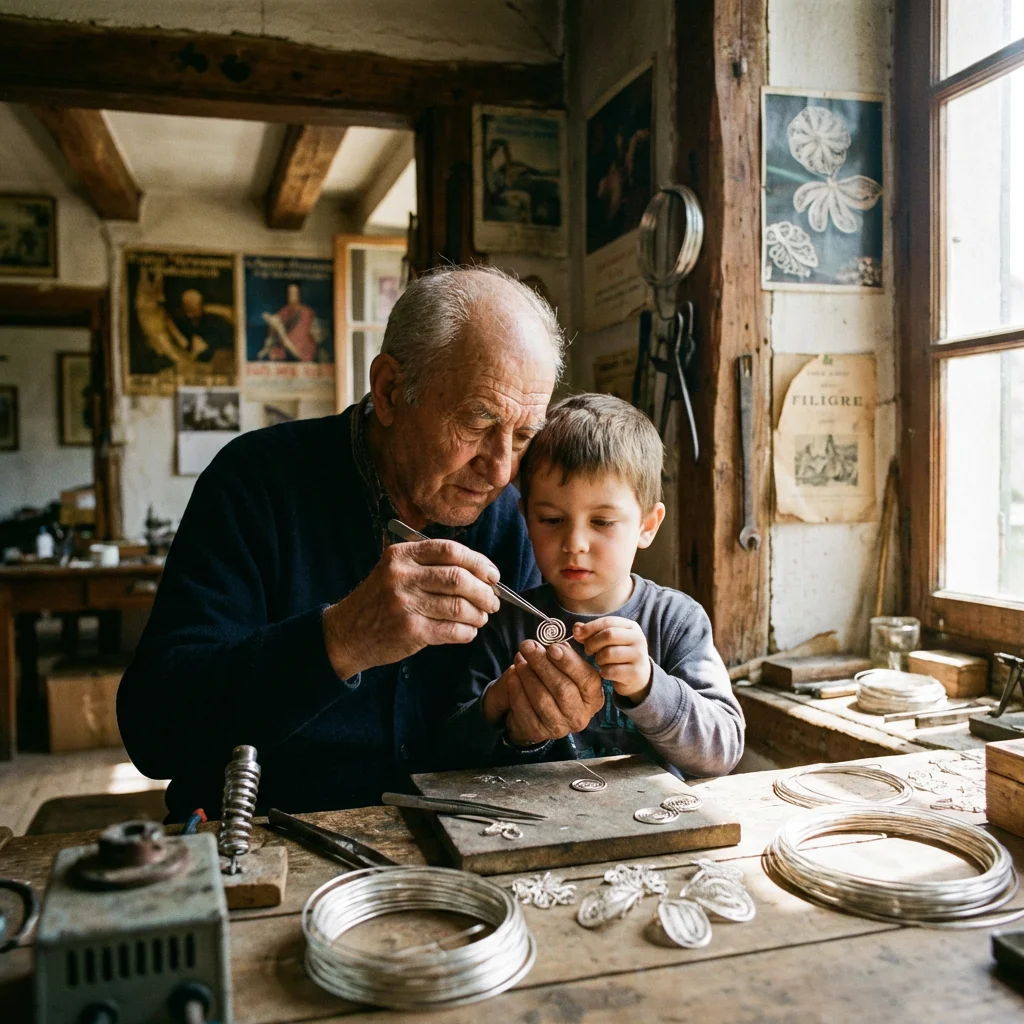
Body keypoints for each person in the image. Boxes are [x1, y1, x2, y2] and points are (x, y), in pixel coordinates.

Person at [117, 266, 607, 818]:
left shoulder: (507, 522)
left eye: (522, 437)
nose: (498, 470)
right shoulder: (254, 483)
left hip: (447, 840)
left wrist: (527, 727)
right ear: (391, 390)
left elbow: (487, 747)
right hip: (262, 839)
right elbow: (154, 733)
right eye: (476, 421)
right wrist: (339, 638)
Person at [441, 392, 744, 777]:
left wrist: (648, 684)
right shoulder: (506, 623)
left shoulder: (675, 621)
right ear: (526, 518)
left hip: (653, 827)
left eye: (601, 522)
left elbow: (723, 751)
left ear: (647, 525)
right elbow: (448, 757)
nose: (574, 543)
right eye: (551, 519)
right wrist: (500, 703)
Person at [257, 281, 325, 363]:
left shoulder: (307, 313)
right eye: (290, 293)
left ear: (300, 294)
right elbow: (274, 334)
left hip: (301, 352)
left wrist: (281, 330)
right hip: (284, 353)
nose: (292, 296)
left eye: (295, 293)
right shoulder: (283, 312)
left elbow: (307, 338)